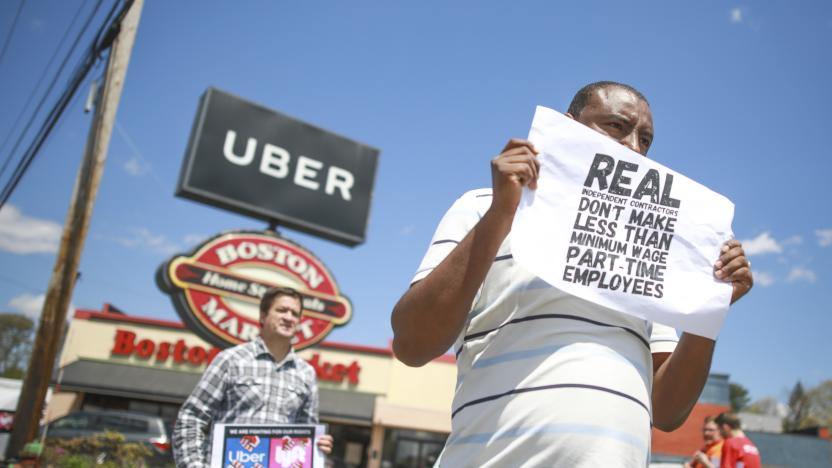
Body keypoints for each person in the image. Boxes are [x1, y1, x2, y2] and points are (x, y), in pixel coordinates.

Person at [391, 81, 754, 466]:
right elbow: (413, 345)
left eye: (645, 139)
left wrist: (708, 308)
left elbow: (665, 411)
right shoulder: (483, 207)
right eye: (617, 126)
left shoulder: (648, 250)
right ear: (567, 125)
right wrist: (502, 213)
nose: (634, 147)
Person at [173, 286, 333, 467]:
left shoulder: (306, 374)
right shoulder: (231, 360)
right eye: (281, 310)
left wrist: (317, 446)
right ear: (263, 316)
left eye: (295, 314)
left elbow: (304, 435)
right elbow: (191, 417)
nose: (289, 317)